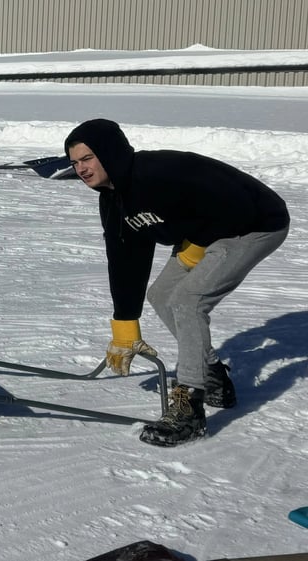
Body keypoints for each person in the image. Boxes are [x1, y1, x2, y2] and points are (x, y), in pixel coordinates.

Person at [64, 118, 290, 447]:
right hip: (208, 232)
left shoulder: (159, 172)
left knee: (188, 299)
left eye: (87, 158)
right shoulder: (114, 199)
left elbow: (234, 201)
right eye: (74, 163)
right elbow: (125, 259)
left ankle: (190, 409)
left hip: (255, 223)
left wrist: (194, 249)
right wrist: (125, 325)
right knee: (162, 294)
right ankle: (212, 376)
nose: (81, 169)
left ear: (109, 153)